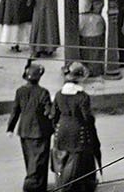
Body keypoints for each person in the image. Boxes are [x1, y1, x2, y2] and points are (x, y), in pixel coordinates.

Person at [48, 61, 102, 192]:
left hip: (61, 130)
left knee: (62, 159)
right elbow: (87, 118)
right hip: (78, 132)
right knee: (79, 160)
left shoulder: (59, 94)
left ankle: (62, 183)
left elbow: (53, 115)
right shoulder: (83, 97)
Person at [7, 61, 58, 192]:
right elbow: (48, 111)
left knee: (30, 159)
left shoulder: (20, 91)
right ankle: (36, 185)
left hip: (24, 130)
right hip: (40, 131)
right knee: (40, 160)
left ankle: (33, 181)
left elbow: (15, 110)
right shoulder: (43, 92)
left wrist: (10, 128)